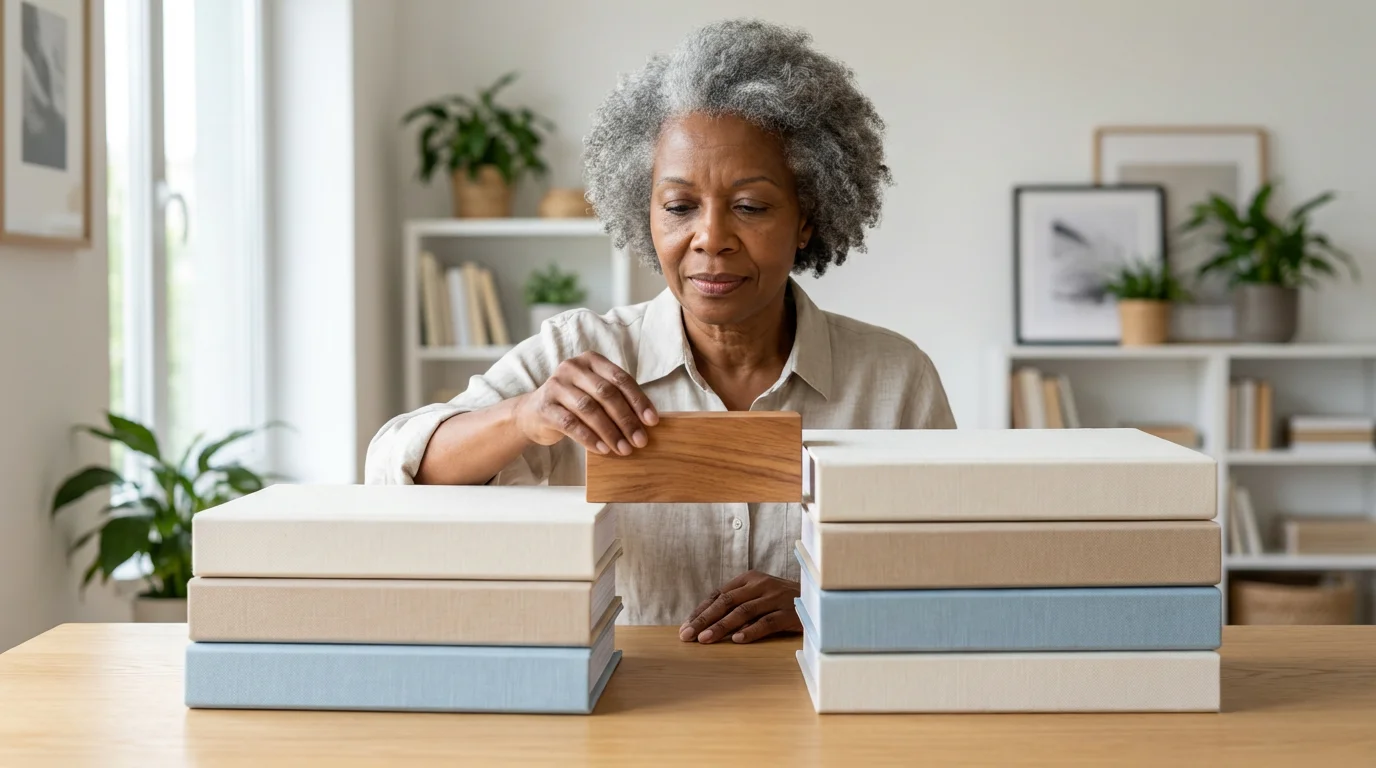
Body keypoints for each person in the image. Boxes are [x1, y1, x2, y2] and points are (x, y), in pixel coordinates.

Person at [365, 18, 955, 644]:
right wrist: (524, 417)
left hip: (822, 712)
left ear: (806, 219)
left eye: (751, 207)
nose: (710, 238)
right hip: (624, 714)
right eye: (678, 207)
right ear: (643, 214)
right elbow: (392, 469)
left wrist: (825, 598)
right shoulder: (580, 353)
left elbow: (951, 569)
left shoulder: (894, 379)